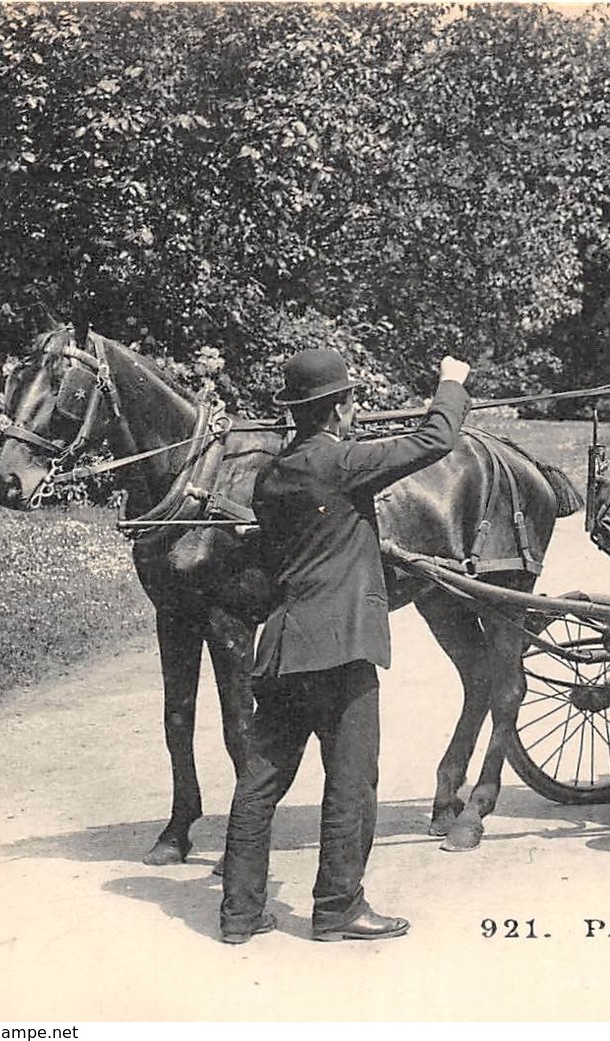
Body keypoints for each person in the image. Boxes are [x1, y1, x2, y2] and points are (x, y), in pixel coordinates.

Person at [219, 347, 471, 944]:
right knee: (352, 780)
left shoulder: (272, 476)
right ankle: (338, 908)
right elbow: (434, 441)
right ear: (337, 410)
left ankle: (239, 914)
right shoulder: (342, 463)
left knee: (259, 783)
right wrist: (451, 384)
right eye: (352, 403)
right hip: (341, 653)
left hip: (282, 651)